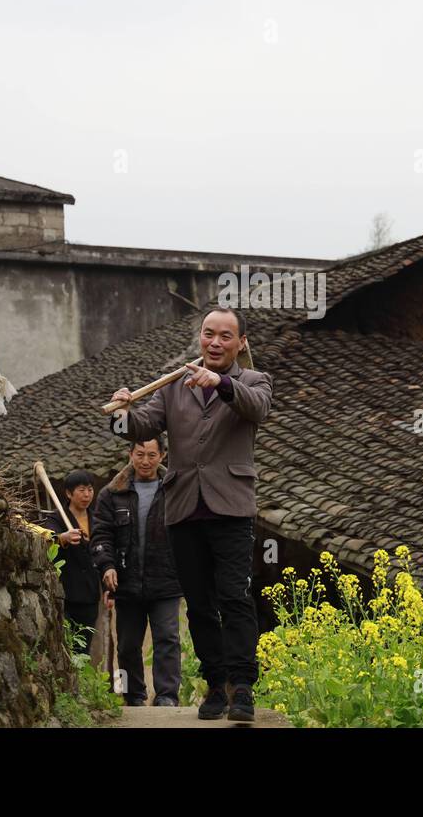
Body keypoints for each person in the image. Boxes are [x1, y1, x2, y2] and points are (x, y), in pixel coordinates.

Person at [109, 307, 272, 723]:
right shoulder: (173, 387)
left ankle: (243, 688)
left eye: (224, 336)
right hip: (183, 508)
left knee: (234, 598)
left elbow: (257, 408)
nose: (214, 342)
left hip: (231, 508)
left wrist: (220, 382)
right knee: (199, 605)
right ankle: (215, 686)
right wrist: (122, 414)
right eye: (207, 334)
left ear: (241, 343)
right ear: (200, 338)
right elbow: (142, 426)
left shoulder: (253, 381)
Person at [90, 437, 184, 707]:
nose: (145, 461)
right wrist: (107, 566)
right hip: (126, 582)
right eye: (140, 454)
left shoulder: (175, 489)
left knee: (167, 639)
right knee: (127, 645)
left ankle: (167, 696)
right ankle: (134, 697)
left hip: (166, 580)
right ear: (130, 454)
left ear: (163, 455)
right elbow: (101, 536)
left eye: (152, 455)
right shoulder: (112, 493)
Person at [47, 469, 100, 656]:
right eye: (81, 490)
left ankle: (83, 684)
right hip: (66, 594)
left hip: (90, 595)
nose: (87, 495)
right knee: (66, 649)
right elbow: (47, 539)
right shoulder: (56, 519)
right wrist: (63, 537)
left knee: (83, 650)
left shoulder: (98, 519)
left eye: (90, 490)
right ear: (69, 494)